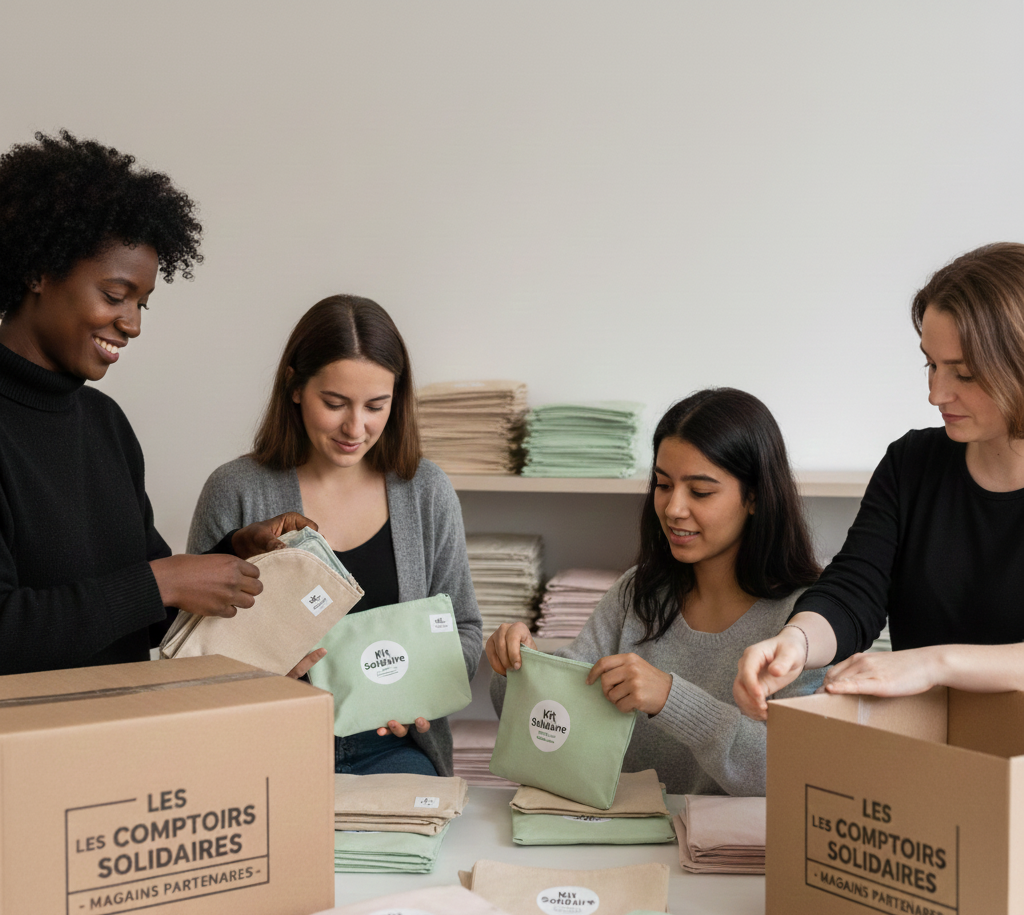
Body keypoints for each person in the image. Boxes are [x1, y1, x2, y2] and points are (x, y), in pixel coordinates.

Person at [0, 130, 313, 677]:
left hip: (123, 736)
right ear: (39, 272)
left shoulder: (105, 425)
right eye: (115, 296)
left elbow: (143, 615)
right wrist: (164, 580)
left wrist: (234, 555)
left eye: (143, 303)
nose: (133, 324)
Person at [188, 294, 482, 777]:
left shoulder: (427, 491)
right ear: (295, 387)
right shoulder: (235, 490)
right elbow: (196, 651)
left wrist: (421, 689)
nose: (356, 427)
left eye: (376, 406)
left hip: (396, 748)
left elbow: (465, 629)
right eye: (335, 403)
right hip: (265, 747)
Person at [734, 242, 1024, 720]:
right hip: (935, 749)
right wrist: (796, 641)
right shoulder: (912, 463)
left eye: (964, 373)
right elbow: (854, 590)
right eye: (930, 364)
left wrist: (933, 663)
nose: (935, 393)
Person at [487, 388, 824, 796]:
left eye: (700, 491)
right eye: (663, 485)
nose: (672, 508)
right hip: (622, 837)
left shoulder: (808, 620)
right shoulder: (638, 591)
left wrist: (671, 699)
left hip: (732, 855)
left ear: (754, 496)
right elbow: (552, 720)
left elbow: (791, 770)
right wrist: (520, 667)